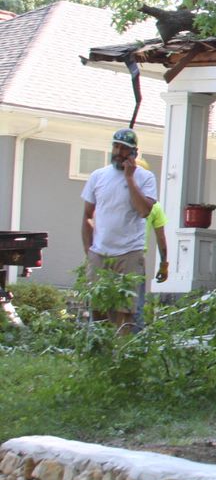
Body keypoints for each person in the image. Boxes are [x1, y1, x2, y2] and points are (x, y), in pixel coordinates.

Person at [81, 128, 157, 331]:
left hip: (129, 252)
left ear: (134, 153)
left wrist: (130, 179)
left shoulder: (145, 178)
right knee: (97, 308)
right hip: (100, 252)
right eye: (116, 146)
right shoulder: (98, 176)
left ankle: (121, 354)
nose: (118, 151)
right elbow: (88, 215)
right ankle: (100, 354)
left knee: (126, 311)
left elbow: (144, 211)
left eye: (124, 148)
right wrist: (89, 250)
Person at [133, 198, 169, 327]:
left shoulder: (121, 198)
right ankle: (134, 344)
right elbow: (161, 238)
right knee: (136, 307)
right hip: (136, 258)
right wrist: (164, 264)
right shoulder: (155, 207)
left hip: (111, 255)